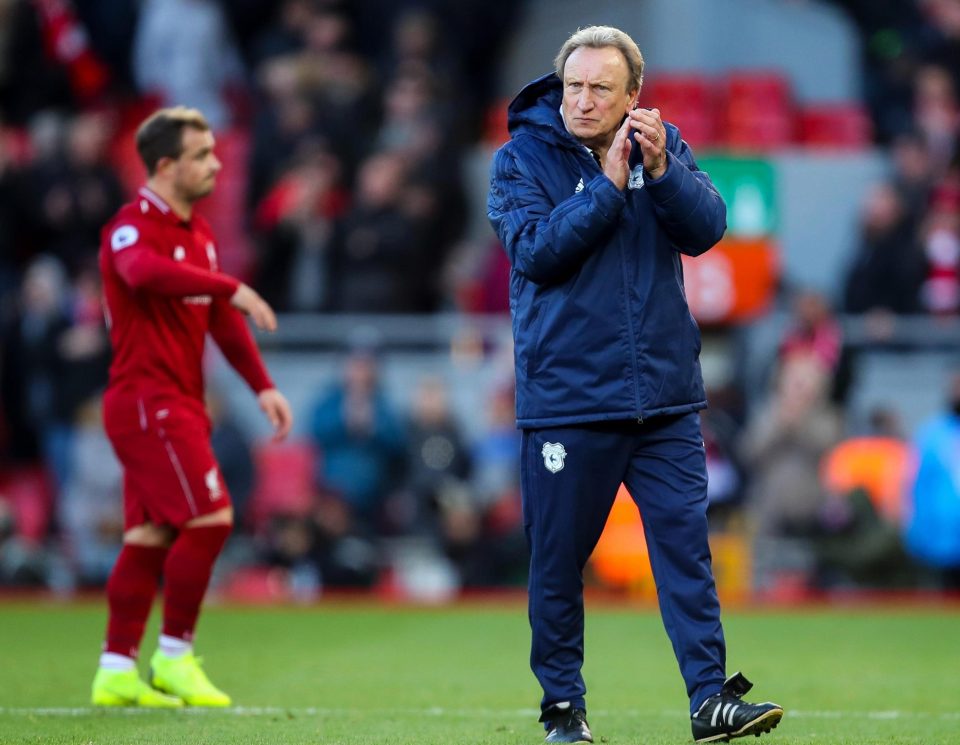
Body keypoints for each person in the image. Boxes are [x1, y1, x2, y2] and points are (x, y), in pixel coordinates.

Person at [487, 26, 783, 744]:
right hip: (570, 400)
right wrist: (611, 186)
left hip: (664, 398)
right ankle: (564, 711)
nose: (582, 100)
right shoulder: (519, 159)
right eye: (573, 86)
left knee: (687, 555)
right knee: (558, 563)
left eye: (599, 89)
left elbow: (708, 227)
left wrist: (662, 170)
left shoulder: (663, 145)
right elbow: (537, 252)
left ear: (632, 98)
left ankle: (710, 700)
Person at [90, 107, 293, 708]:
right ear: (165, 165)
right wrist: (231, 286)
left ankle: (115, 670)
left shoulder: (199, 236)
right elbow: (141, 271)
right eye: (203, 155)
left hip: (174, 402)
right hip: (148, 402)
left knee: (149, 536)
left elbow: (219, 324)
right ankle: (175, 655)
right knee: (210, 521)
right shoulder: (130, 227)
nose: (217, 163)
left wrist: (262, 386)